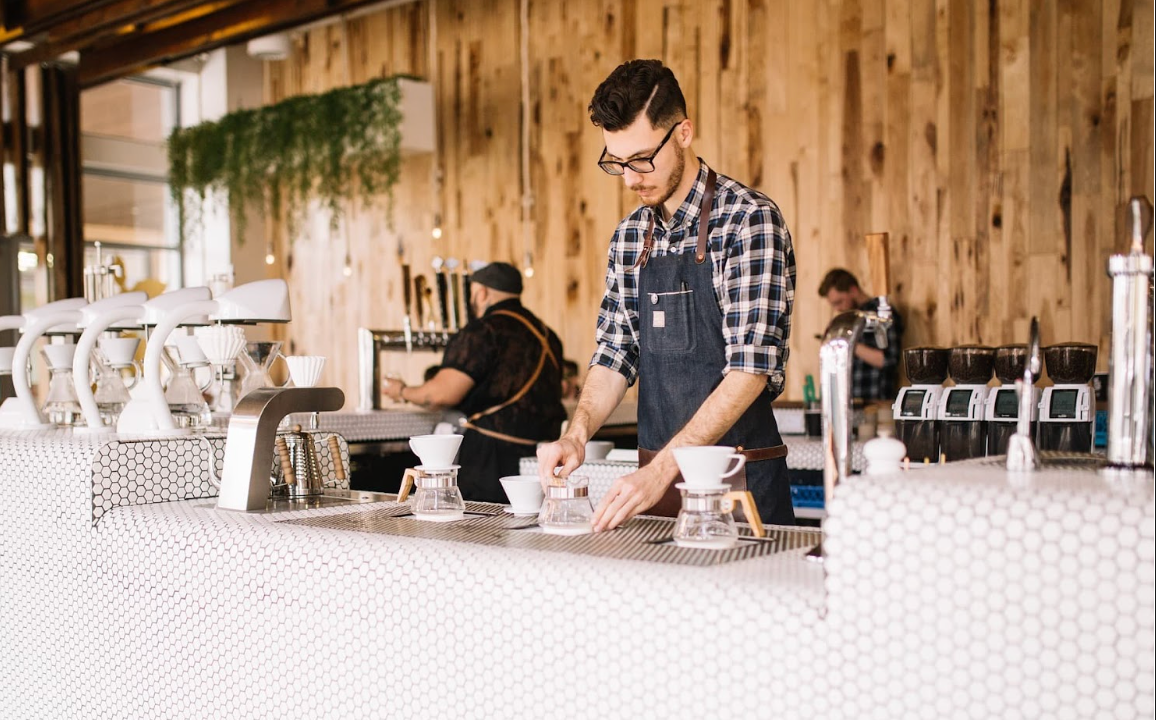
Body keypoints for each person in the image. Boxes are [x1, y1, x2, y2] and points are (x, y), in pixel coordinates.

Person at [537, 59, 797, 531]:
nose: (631, 178)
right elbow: (616, 352)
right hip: (655, 492)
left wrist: (662, 469)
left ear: (683, 133)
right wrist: (575, 436)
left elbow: (751, 370)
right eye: (616, 163)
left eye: (641, 159)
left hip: (738, 491)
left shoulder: (748, 221)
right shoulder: (630, 237)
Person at [384, 262, 566, 504]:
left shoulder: (484, 330)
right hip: (542, 459)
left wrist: (401, 390)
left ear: (481, 293)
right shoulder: (547, 335)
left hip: (490, 462)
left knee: (481, 532)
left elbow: (438, 395)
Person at [818, 268, 904, 401]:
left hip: (877, 403)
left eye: (839, 302)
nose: (837, 309)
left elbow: (889, 360)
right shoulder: (850, 318)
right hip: (850, 402)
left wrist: (848, 343)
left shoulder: (881, 315)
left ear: (853, 290)